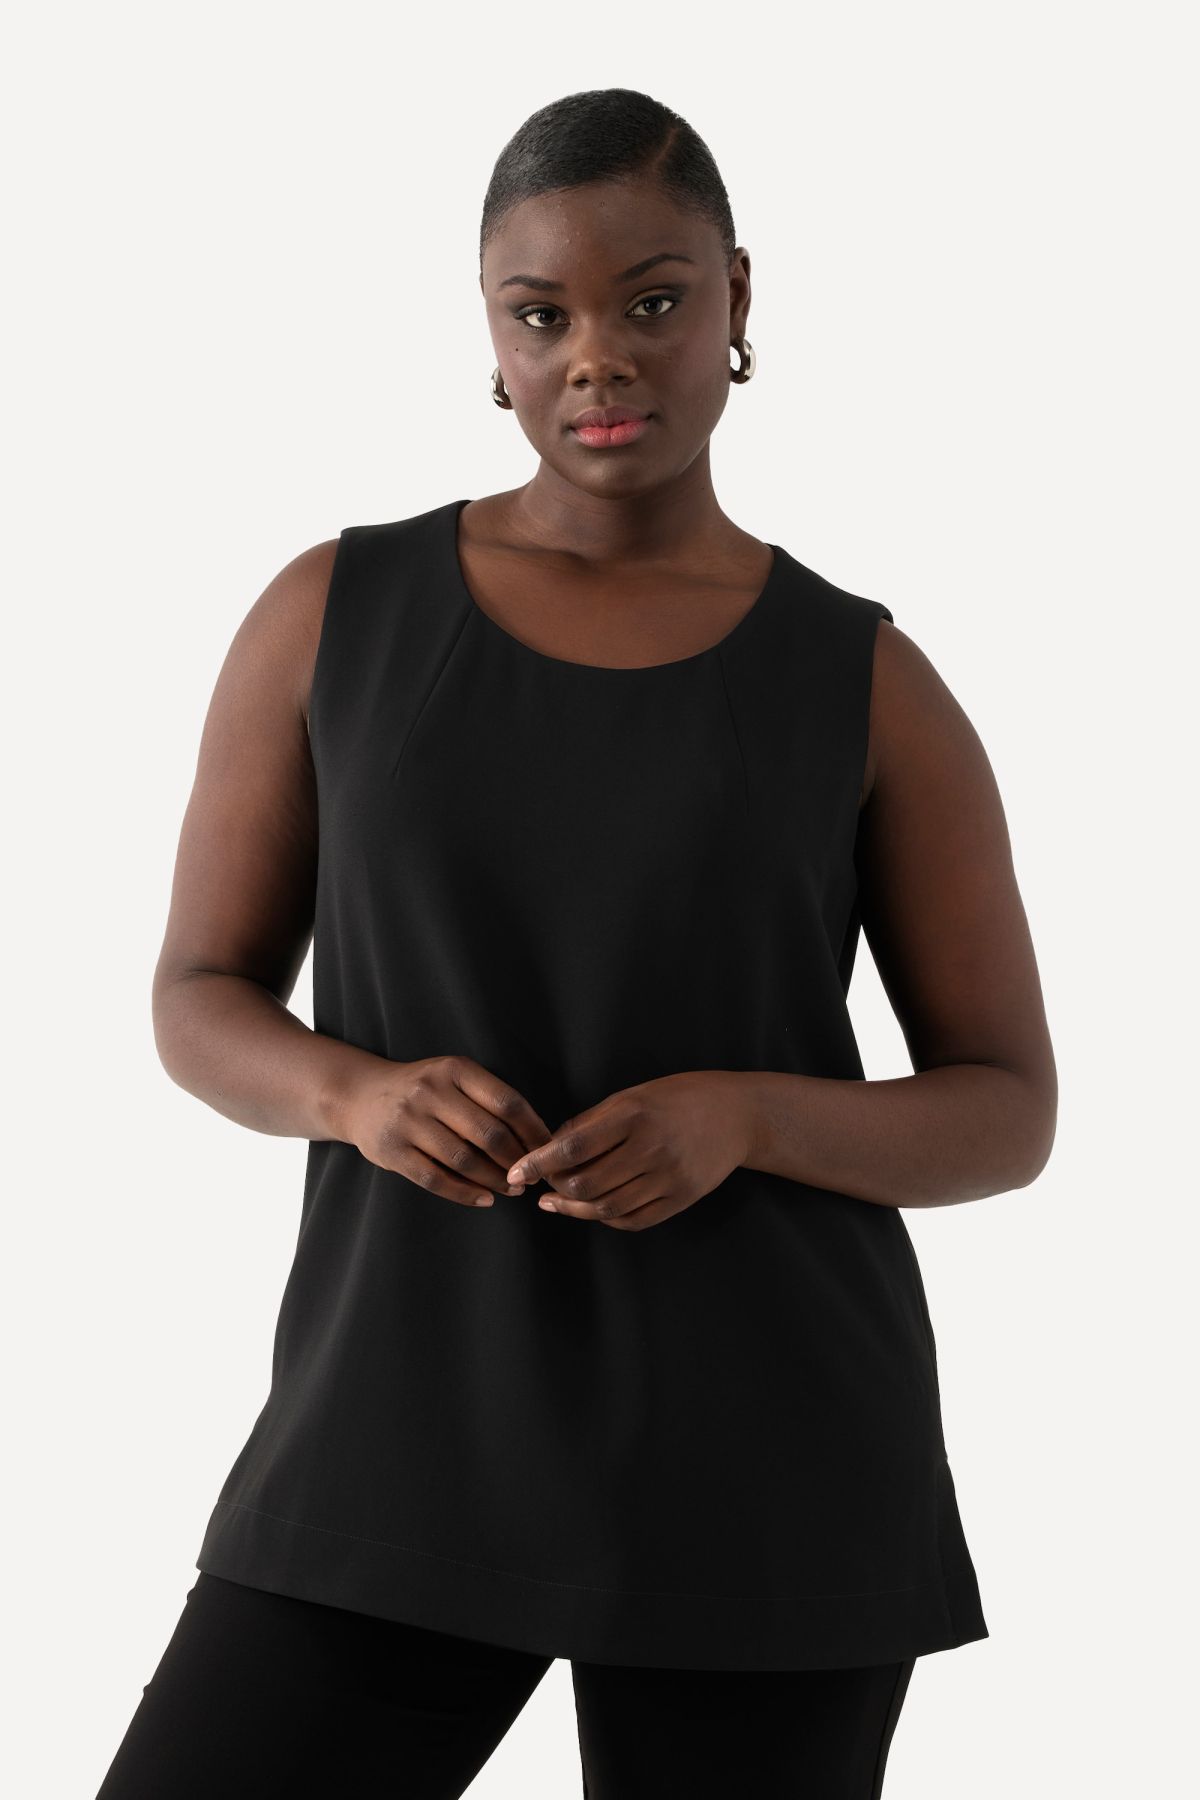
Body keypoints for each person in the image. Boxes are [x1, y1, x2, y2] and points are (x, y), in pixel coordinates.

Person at [96, 86, 1057, 1799]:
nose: (597, 357)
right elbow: (196, 994)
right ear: (492, 334)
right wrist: (354, 1096)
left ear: (739, 299)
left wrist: (743, 1117)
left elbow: (1006, 1109)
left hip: (771, 1475)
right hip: (397, 1433)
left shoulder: (866, 682)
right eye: (540, 315)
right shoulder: (333, 613)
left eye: (654, 300)